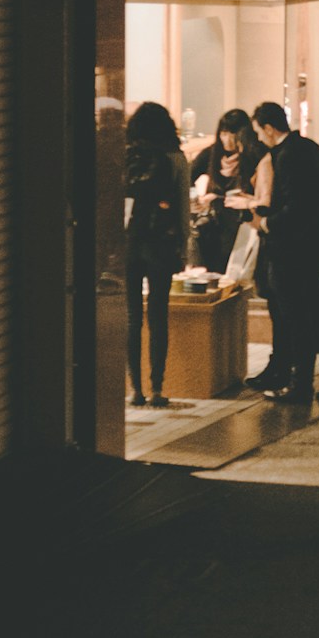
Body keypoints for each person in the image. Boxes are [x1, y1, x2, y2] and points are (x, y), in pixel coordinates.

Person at [247, 101, 319, 399]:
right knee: (314, 315)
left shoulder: (287, 156)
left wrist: (266, 222)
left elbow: (297, 207)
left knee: (296, 318)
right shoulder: (311, 149)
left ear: (269, 128)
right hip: (316, 247)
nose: (259, 138)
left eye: (259, 132)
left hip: (290, 249)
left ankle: (300, 383)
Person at [124, 101, 190, 409]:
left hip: (130, 243)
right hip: (161, 244)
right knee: (158, 315)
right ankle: (157, 388)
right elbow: (183, 207)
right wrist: (184, 245)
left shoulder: (127, 154)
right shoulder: (175, 158)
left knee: (132, 317)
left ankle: (135, 389)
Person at [188, 106, 259, 277]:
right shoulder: (212, 153)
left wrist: (217, 197)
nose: (227, 139)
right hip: (214, 226)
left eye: (232, 133)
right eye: (223, 133)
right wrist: (195, 198)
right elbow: (188, 177)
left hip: (243, 227)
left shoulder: (253, 155)